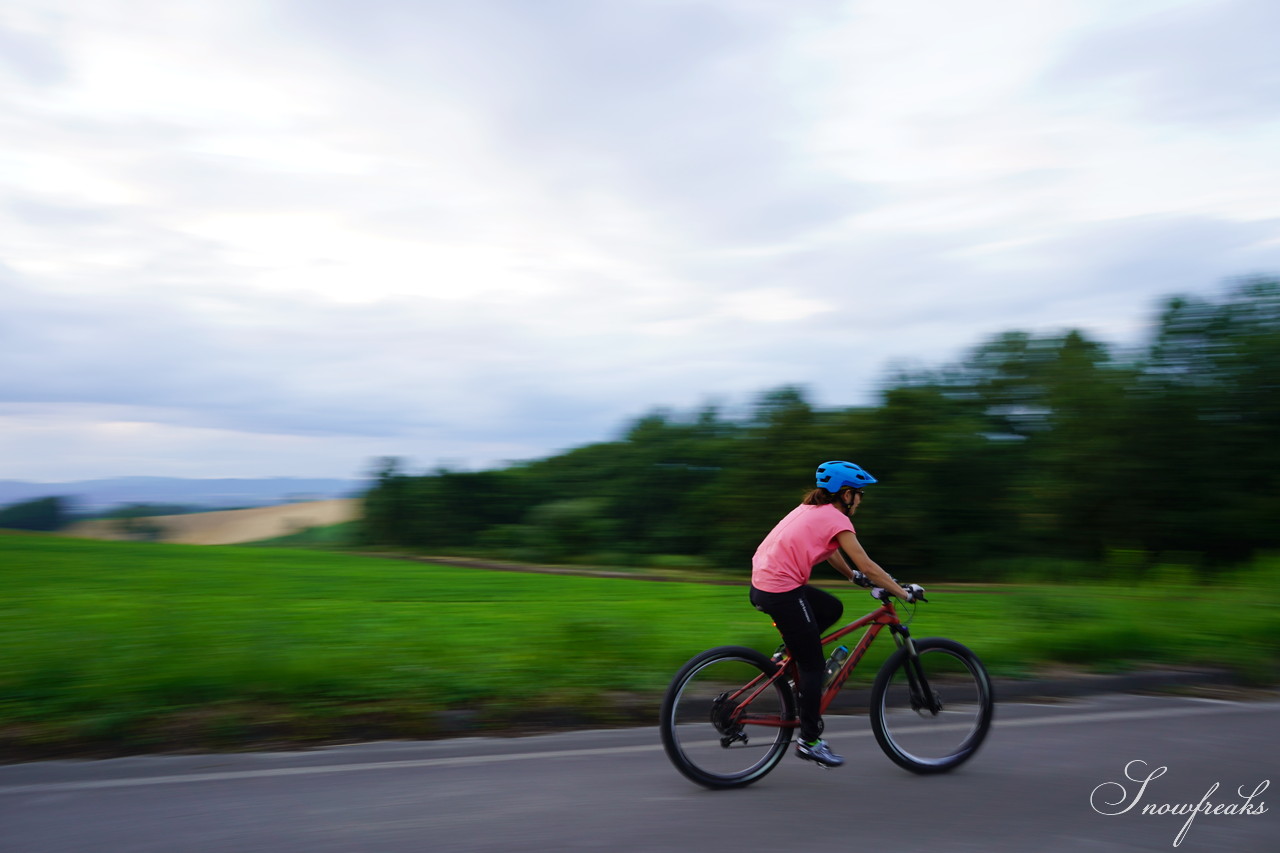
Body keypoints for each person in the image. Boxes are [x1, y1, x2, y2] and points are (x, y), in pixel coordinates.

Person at [749, 460, 915, 768]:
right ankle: (809, 741)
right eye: (859, 494)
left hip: (764, 586)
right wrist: (902, 592)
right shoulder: (836, 519)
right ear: (846, 494)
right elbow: (866, 563)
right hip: (782, 592)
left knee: (831, 608)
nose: (861, 500)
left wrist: (852, 577)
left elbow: (832, 550)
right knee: (812, 664)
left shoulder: (812, 510)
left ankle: (786, 657)